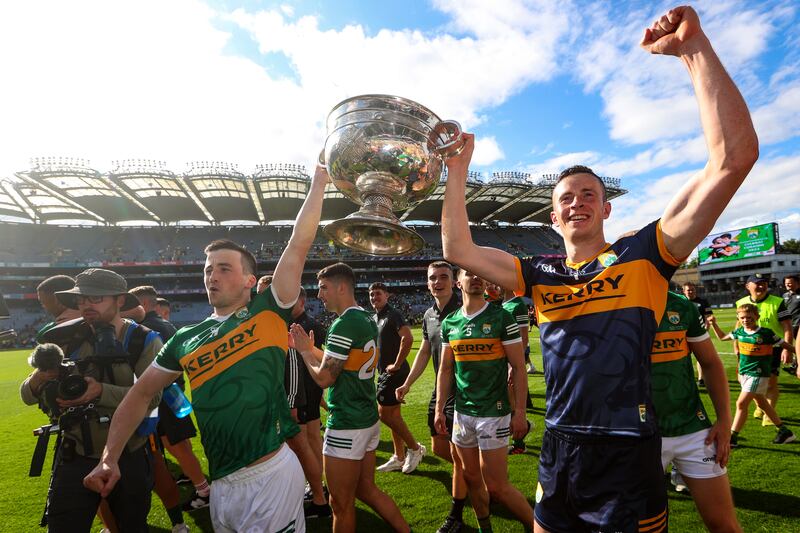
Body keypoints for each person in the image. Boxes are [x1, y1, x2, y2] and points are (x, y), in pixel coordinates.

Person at [439, 7, 758, 532]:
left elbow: (734, 158)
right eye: (567, 197)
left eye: (591, 194)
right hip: (560, 444)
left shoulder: (645, 254)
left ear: (606, 209)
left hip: (627, 448)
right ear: (553, 215)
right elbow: (458, 247)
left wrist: (692, 49)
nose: (578, 202)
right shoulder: (536, 271)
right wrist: (457, 170)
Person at [84, 163, 329, 532]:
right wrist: (109, 457)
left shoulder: (268, 311)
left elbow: (299, 240)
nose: (212, 275)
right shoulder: (184, 338)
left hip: (269, 476)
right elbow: (139, 395)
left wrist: (321, 179)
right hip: (221, 486)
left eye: (224, 268)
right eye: (208, 269)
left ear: (250, 280)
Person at [21, 268, 162, 532]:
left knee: (132, 526)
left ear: (120, 300)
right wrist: (41, 378)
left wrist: (100, 391)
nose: (86, 305)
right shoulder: (64, 338)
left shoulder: (143, 340)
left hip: (127, 455)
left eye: (96, 298)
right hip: (74, 455)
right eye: (82, 299)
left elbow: (152, 397)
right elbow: (27, 395)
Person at [291, 263, 410, 533]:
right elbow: (343, 364)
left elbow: (324, 378)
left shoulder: (344, 324)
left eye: (323, 288)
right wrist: (313, 351)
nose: (319, 294)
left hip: (347, 423)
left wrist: (305, 353)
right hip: (367, 419)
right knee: (366, 490)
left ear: (341, 287)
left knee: (340, 504)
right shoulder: (366, 318)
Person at [435, 269, 534, 531]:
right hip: (462, 412)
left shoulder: (501, 317)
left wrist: (520, 412)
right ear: (459, 282)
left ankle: (537, 527)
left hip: (494, 411)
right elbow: (446, 370)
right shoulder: (450, 323)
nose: (476, 278)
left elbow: (519, 367)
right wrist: (439, 410)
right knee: (470, 476)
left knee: (498, 487)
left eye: (480, 274)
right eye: (469, 274)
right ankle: (485, 528)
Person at [652, 292, 740, 531]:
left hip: (694, 430)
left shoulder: (681, 305)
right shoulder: (612, 304)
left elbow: (710, 363)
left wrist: (724, 421)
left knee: (725, 526)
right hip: (638, 436)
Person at [396, 261, 468, 533]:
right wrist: (407, 383)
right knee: (439, 449)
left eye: (443, 277)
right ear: (427, 283)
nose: (438, 282)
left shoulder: (463, 311)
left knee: (456, 454)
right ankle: (472, 475)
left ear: (454, 282)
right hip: (440, 390)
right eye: (432, 278)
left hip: (461, 392)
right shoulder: (428, 315)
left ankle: (456, 513)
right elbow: (425, 352)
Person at [128, 285, 210, 515]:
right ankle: (195, 481)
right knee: (177, 444)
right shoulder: (165, 324)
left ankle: (205, 491)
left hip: (162, 396)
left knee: (176, 445)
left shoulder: (146, 328)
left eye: (129, 304)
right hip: (172, 393)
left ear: (142, 304)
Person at [708, 304, 796, 446]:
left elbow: (786, 345)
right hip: (744, 373)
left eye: (749, 317)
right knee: (762, 403)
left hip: (758, 374)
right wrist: (714, 324)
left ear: (757, 317)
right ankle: (784, 431)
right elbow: (723, 337)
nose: (745, 320)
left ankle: (733, 437)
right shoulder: (740, 332)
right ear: (738, 318)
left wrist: (797, 353)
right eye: (742, 317)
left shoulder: (766, 333)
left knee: (741, 403)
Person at [369, 282, 426, 474]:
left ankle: (415, 448)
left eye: (378, 294)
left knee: (383, 413)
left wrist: (397, 363)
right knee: (393, 416)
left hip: (395, 372)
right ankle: (399, 456)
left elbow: (407, 338)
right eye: (371, 294)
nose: (374, 297)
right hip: (384, 372)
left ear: (387, 295)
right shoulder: (375, 318)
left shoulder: (393, 315)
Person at [735, 274, 793, 425]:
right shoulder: (741, 302)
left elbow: (787, 326)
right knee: (748, 382)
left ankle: (768, 414)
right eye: (757, 283)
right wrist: (736, 346)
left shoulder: (777, 302)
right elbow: (738, 327)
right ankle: (761, 406)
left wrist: (787, 349)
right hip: (747, 349)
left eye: (764, 283)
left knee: (771, 382)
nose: (761, 286)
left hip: (772, 349)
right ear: (748, 287)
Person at [501, 287, 534, 454]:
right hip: (502, 361)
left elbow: (524, 338)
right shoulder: (502, 304)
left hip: (511, 362)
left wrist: (514, 366)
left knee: (512, 402)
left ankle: (519, 441)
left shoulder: (517, 305)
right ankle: (520, 433)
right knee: (507, 402)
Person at [682, 281, 714, 386]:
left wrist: (705, 330)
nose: (691, 292)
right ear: (684, 291)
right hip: (683, 334)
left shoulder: (703, 302)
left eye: (693, 290)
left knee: (700, 357)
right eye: (688, 290)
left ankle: (701, 379)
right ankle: (685, 377)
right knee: (683, 357)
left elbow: (708, 317)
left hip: (698, 334)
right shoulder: (680, 303)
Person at [35, 275, 81, 340]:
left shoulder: (56, 330)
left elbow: (41, 336)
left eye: (43, 302)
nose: (43, 307)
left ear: (58, 300)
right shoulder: (87, 317)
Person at [782, 274, 800, 374]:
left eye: (790, 282)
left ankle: (795, 366)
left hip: (799, 326)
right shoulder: (784, 296)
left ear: (797, 283)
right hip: (789, 326)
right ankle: (795, 365)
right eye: (786, 283)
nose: (788, 284)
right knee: (792, 347)